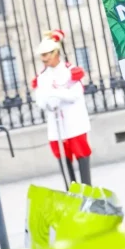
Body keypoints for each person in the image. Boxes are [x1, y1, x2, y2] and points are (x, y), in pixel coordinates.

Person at [32, 30, 92, 186]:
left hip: (74, 122)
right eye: (42, 55)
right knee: (64, 161)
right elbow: (40, 100)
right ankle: (71, 193)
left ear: (56, 52)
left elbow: (75, 95)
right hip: (56, 125)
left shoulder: (70, 71)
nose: (44, 59)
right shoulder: (42, 77)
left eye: (47, 54)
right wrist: (50, 100)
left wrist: (55, 93)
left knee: (81, 155)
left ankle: (88, 192)